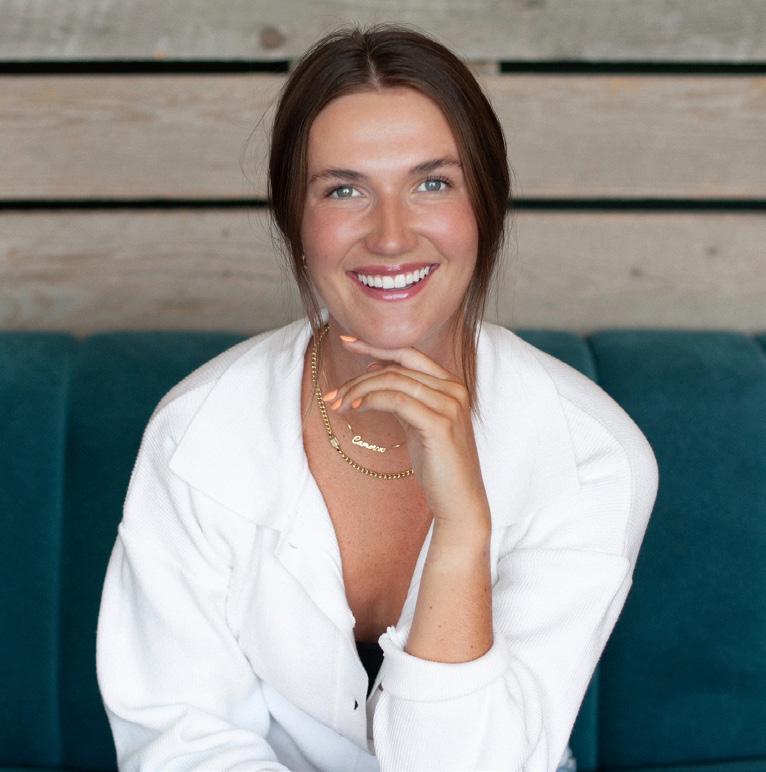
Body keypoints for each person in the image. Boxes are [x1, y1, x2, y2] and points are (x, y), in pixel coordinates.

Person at [96, 22, 658, 771]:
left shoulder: (592, 458)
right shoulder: (196, 434)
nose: (391, 236)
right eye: (344, 190)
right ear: (295, 223)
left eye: (432, 184)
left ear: (484, 206)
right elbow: (182, 743)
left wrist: (462, 529)